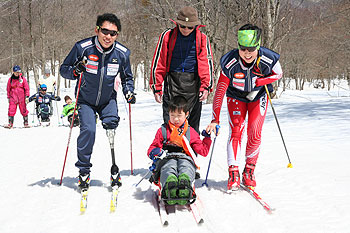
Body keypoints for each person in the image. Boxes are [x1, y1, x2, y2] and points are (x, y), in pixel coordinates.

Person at [59, 13, 136, 191]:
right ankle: (84, 171)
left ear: (117, 35)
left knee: (110, 125)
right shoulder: (83, 48)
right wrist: (75, 71)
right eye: (105, 31)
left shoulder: (122, 53)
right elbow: (64, 70)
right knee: (89, 130)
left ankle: (115, 170)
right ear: (97, 30)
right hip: (85, 100)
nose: (108, 36)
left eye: (113, 33)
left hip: (107, 99)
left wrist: (129, 91)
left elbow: (127, 78)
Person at [206, 24, 283, 191]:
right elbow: (220, 90)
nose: (247, 53)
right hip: (236, 97)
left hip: (259, 96)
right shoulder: (230, 61)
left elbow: (278, 74)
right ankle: (233, 173)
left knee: (254, 131)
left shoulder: (268, 58)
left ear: (258, 46)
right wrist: (215, 119)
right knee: (236, 131)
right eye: (243, 49)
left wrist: (261, 81)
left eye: (251, 49)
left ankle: (249, 170)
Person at [149, 6, 214, 133]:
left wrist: (206, 87)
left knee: (192, 127)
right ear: (177, 24)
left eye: (190, 27)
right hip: (172, 82)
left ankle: (191, 150)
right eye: (182, 26)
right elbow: (159, 62)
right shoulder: (167, 36)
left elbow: (206, 63)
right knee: (171, 123)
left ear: (195, 26)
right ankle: (171, 151)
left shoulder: (202, 38)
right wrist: (156, 87)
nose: (186, 29)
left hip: (193, 84)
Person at [148, 96, 212, 205]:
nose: (176, 119)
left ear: (186, 114)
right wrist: (156, 152)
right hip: (167, 157)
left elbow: (203, 151)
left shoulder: (190, 132)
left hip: (185, 157)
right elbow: (152, 148)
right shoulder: (163, 130)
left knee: (186, 167)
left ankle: (185, 185)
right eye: (172, 115)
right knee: (168, 167)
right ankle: (170, 185)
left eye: (179, 115)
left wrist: (207, 138)